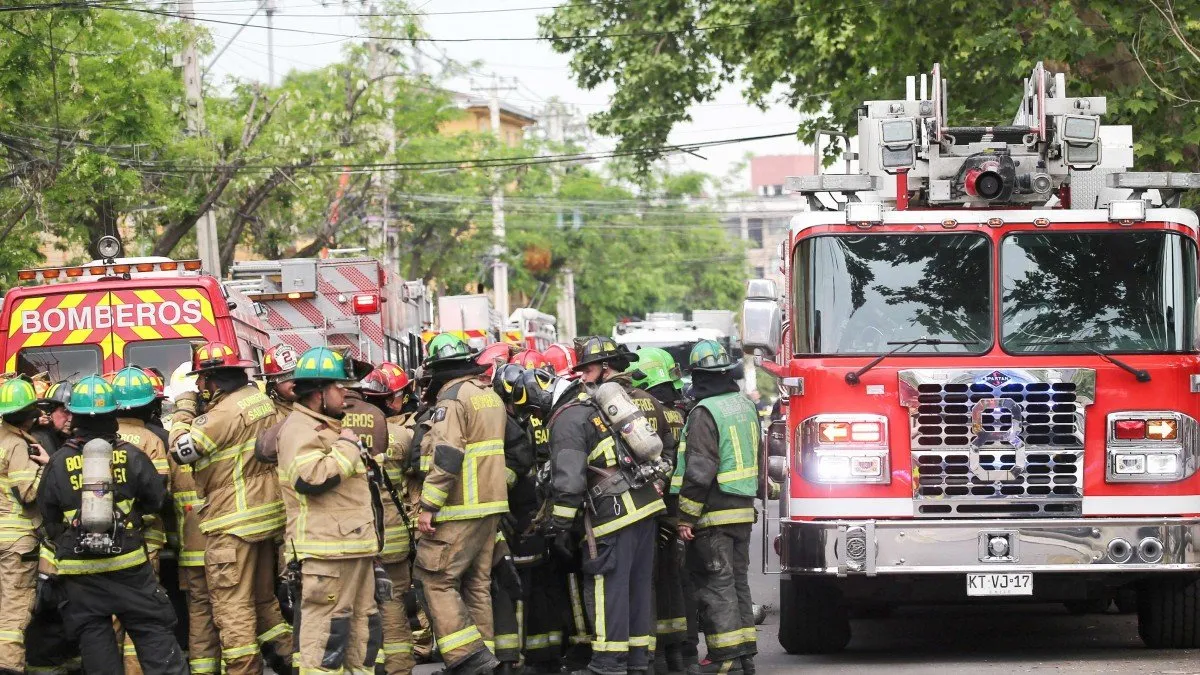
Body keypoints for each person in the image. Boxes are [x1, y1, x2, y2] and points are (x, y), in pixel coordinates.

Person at [37, 375, 186, 674]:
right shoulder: (131, 455)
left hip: (80, 574)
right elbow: (157, 499)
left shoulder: (58, 461)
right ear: (113, 415)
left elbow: (48, 514)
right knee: (152, 630)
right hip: (128, 566)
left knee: (94, 639)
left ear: (75, 416)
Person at [168, 341, 293, 675]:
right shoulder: (261, 401)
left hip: (231, 522)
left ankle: (243, 669)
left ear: (212, 378)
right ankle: (289, 659)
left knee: (231, 605)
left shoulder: (220, 415)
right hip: (264, 517)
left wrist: (182, 413)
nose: (197, 387)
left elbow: (181, 451)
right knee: (264, 600)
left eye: (200, 380)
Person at [547, 339, 667, 675]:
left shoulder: (568, 419)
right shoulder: (605, 407)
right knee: (637, 588)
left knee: (607, 589)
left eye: (586, 367)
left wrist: (559, 526)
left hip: (613, 516)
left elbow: (569, 483)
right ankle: (638, 660)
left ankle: (608, 663)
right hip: (644, 508)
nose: (583, 375)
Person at [277, 346, 383, 673]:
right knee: (326, 640)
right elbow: (310, 478)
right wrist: (349, 447)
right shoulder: (300, 428)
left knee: (363, 635)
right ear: (319, 393)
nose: (345, 393)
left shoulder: (329, 427)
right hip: (326, 553)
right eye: (339, 387)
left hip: (351, 549)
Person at [414, 333, 508, 675]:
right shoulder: (488, 395)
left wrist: (428, 505)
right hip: (491, 505)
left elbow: (448, 454)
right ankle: (488, 661)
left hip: (459, 507)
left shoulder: (451, 399)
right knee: (477, 585)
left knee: (434, 578)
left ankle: (468, 660)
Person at [675, 340, 760, 675]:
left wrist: (686, 516)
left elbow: (698, 471)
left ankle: (726, 660)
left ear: (698, 376)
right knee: (738, 581)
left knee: (716, 585)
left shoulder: (703, 413)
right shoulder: (744, 405)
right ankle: (746, 657)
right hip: (742, 509)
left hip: (714, 514)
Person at [629, 347, 692, 672]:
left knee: (647, 583)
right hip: (682, 513)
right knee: (678, 581)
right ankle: (683, 655)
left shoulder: (634, 412)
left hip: (644, 511)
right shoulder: (682, 413)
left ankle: (650, 657)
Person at [0, 377, 51, 674]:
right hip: (16, 543)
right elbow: (28, 492)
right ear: (29, 414)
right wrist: (46, 468)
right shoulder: (17, 444)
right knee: (13, 612)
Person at [30, 379, 72, 456]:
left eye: (74, 412)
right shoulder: (39, 438)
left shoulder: (83, 436)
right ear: (50, 411)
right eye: (66, 411)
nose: (71, 419)